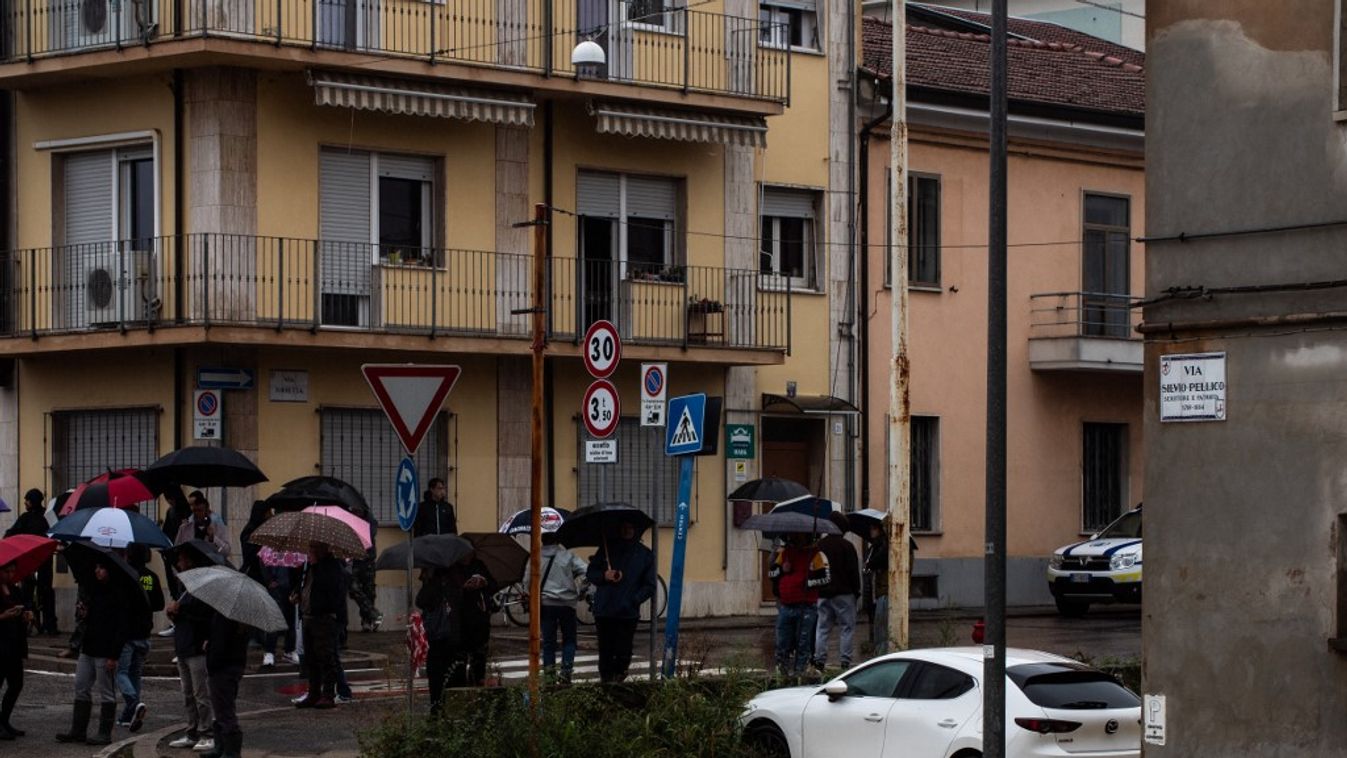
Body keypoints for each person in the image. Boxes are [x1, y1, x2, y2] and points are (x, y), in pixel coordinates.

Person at [56, 557, 132, 746]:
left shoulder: (119, 593)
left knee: (106, 691)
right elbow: (91, 618)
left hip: (105, 649)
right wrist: (84, 613)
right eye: (96, 567)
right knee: (81, 686)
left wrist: (114, 655)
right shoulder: (94, 589)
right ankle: (78, 730)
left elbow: (122, 627)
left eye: (101, 568)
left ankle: (104, 733)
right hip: (88, 646)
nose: (97, 571)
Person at [416, 554, 497, 709]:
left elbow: (423, 601)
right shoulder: (445, 577)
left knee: (450, 675)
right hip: (446, 636)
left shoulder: (459, 574)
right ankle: (445, 710)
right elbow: (422, 601)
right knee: (445, 675)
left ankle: (446, 710)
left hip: (452, 636)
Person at [587, 520, 656, 683]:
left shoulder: (644, 555)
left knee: (624, 651)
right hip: (605, 610)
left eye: (631, 527)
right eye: (624, 527)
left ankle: (619, 679)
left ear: (636, 530)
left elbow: (650, 585)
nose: (627, 530)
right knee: (605, 651)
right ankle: (606, 683)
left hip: (627, 613)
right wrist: (604, 575)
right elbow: (591, 573)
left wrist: (634, 600)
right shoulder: (606, 549)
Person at [165, 550, 215, 752]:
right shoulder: (183, 587)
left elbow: (203, 617)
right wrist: (174, 614)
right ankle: (192, 731)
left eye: (182, 559)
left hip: (196, 645)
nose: (179, 563)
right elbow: (182, 618)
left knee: (200, 693)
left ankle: (207, 732)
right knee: (187, 694)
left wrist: (181, 610)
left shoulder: (203, 588)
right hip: (183, 645)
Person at [523, 532, 588, 684]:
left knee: (548, 642)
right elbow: (587, 571)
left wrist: (530, 595)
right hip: (567, 604)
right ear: (558, 540)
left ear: (542, 541)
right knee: (569, 640)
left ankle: (549, 676)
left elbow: (527, 581)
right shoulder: (568, 556)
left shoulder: (535, 557)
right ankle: (566, 673)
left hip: (546, 604)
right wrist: (581, 590)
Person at [293, 542, 347, 709]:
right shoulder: (309, 567)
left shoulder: (332, 568)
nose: (308, 553)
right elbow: (305, 587)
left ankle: (328, 694)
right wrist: (297, 595)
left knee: (326, 657)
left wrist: (317, 566)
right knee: (311, 659)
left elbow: (332, 593)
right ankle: (313, 692)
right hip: (308, 616)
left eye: (311, 549)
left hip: (324, 618)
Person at [116, 545, 164, 732]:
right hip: (145, 632)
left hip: (127, 632)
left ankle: (134, 702)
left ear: (128, 556)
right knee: (135, 674)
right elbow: (159, 604)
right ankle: (128, 715)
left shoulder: (125, 576)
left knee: (121, 672)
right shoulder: (151, 577)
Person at [768, 532, 828, 676]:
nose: (795, 537)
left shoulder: (817, 555)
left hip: (806, 606)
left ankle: (800, 674)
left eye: (799, 535)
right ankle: (781, 673)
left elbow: (826, 578)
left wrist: (809, 583)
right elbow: (771, 574)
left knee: (803, 643)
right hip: (786, 605)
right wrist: (782, 570)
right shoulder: (784, 554)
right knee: (782, 642)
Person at [812, 513, 861, 671]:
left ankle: (819, 660)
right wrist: (856, 591)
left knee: (822, 627)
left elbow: (814, 570)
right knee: (847, 627)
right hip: (844, 593)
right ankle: (845, 661)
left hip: (823, 593)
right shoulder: (847, 546)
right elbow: (853, 571)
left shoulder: (819, 546)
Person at [4, 489, 56, 635]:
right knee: (39, 593)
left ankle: (40, 625)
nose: (25, 503)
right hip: (40, 560)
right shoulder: (44, 516)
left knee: (34, 593)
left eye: (27, 500)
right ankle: (43, 625)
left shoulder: (30, 517)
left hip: (35, 561)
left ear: (32, 501)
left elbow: (11, 532)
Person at [204, 603, 251, 758]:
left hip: (222, 668)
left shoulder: (224, 617)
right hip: (232, 665)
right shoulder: (239, 617)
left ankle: (230, 751)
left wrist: (210, 654)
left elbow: (220, 644)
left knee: (224, 709)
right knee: (221, 708)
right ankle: (222, 747)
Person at [0, 561, 32, 740]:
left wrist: (26, 614)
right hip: (1, 642)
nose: (10, 575)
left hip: (14, 643)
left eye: (13, 571)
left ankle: (4, 720)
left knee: (16, 684)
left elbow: (24, 606)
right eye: (7, 571)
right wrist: (3, 616)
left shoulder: (14, 589)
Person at [348, 507, 382, 632]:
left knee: (369, 591)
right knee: (354, 589)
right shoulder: (350, 518)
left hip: (367, 560)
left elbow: (370, 535)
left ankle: (368, 621)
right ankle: (373, 615)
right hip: (355, 560)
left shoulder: (370, 520)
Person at [175, 492, 232, 558]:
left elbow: (225, 552)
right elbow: (176, 550)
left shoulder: (216, 524)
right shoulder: (185, 528)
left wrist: (213, 539)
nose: (198, 514)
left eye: (200, 510)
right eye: (195, 510)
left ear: (207, 511)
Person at [864, 524, 889, 654]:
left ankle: (881, 650)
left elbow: (878, 560)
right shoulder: (874, 546)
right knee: (877, 620)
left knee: (882, 623)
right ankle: (877, 647)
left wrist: (871, 563)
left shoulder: (884, 545)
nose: (871, 531)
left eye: (873, 528)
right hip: (876, 589)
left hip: (883, 588)